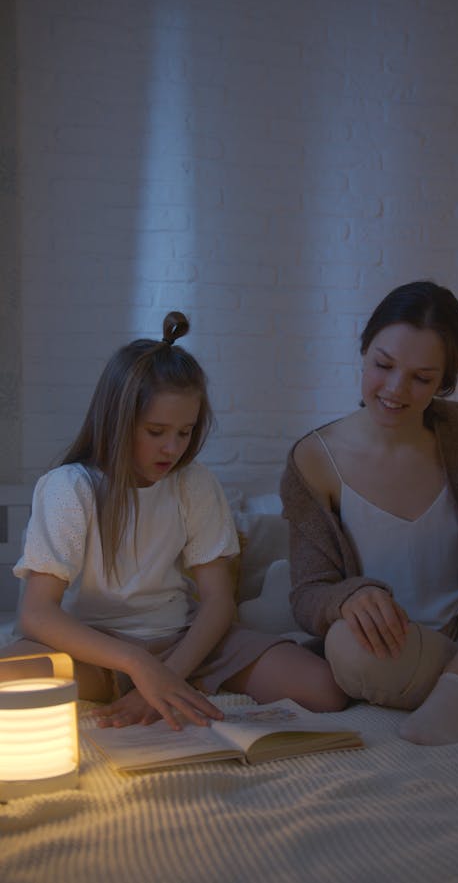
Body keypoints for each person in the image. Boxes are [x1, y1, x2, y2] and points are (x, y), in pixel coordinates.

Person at [4, 311, 345, 730]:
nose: (172, 448)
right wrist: (140, 667)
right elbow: (37, 615)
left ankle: (158, 681)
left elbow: (218, 601)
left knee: (325, 689)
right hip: (95, 650)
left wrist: (171, 674)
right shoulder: (69, 488)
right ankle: (131, 682)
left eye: (184, 433)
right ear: (118, 420)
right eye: (156, 431)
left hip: (184, 643)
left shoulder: (194, 483)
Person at [280, 281, 458, 746]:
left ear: (445, 381)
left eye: (422, 378)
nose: (396, 390)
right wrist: (349, 598)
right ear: (364, 350)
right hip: (398, 648)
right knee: (344, 649)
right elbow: (307, 594)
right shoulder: (314, 460)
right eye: (383, 365)